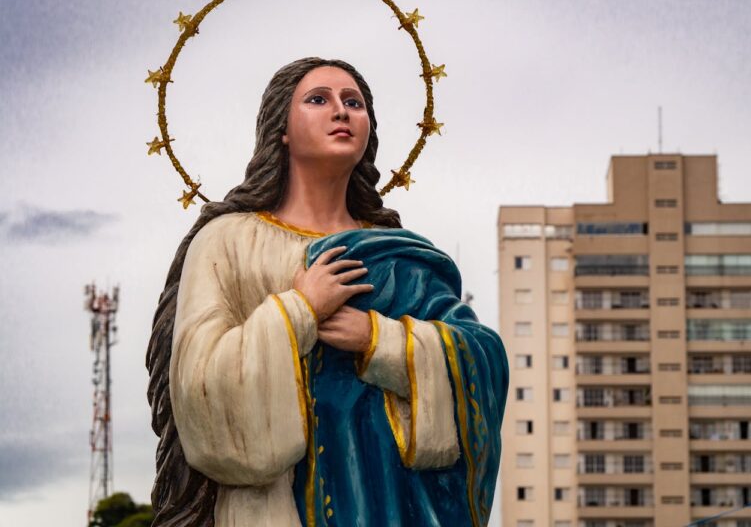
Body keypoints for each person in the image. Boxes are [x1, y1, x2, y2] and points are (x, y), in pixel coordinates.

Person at [146, 57, 508, 527]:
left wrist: (378, 339)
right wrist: (300, 310)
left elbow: (480, 356)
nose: (341, 111)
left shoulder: (398, 257)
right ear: (282, 129)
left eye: (353, 103)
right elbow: (199, 389)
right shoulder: (227, 241)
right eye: (318, 100)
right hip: (273, 510)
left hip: (391, 507)